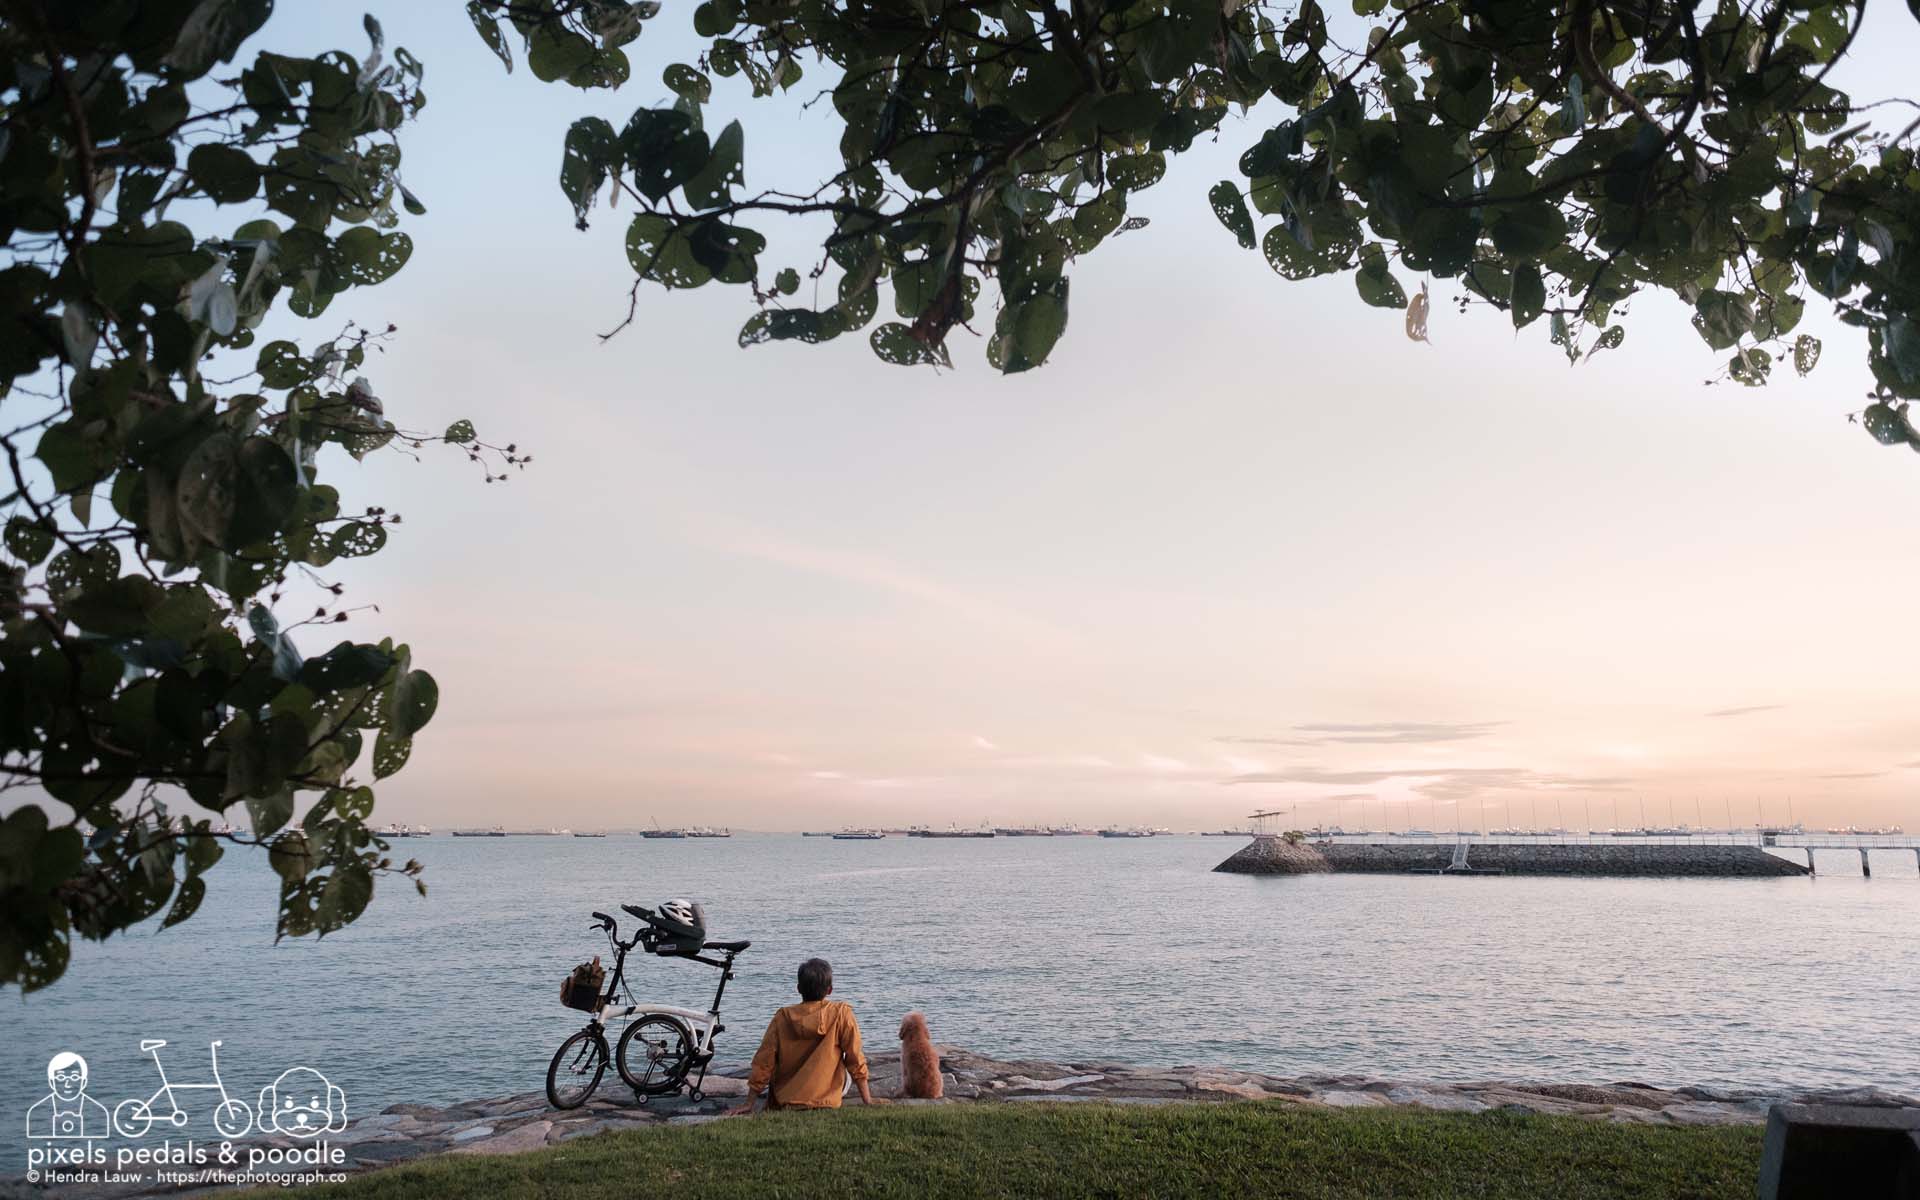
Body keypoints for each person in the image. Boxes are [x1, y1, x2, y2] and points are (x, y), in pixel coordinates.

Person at [726, 958, 887, 1114]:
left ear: (798, 988)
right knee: (844, 1065)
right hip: (827, 1099)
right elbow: (854, 1058)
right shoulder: (841, 1013)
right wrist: (867, 1100)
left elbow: (763, 1062)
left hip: (788, 1098)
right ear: (829, 990)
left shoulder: (782, 1017)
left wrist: (749, 1103)